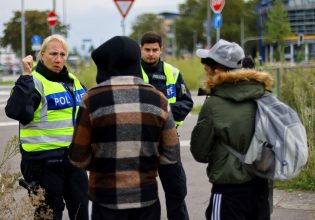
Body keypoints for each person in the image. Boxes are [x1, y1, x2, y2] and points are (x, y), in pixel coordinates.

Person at [69, 36, 181, 220]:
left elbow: (78, 156)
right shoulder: (159, 99)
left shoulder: (92, 100)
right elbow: (171, 154)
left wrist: (103, 164)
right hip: (146, 198)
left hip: (105, 198)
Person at [5, 34, 89, 220]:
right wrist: (26, 77)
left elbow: (87, 114)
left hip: (73, 161)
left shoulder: (73, 81)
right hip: (43, 164)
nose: (58, 59)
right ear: (41, 55)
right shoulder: (32, 82)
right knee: (48, 215)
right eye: (53, 54)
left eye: (62, 54)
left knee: (82, 211)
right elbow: (16, 111)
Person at [190, 39, 274, 220]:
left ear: (218, 70)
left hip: (229, 192)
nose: (206, 74)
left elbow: (200, 152)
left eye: (207, 70)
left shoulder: (214, 104)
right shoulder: (264, 95)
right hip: (261, 189)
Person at [140, 31, 193, 220]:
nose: (151, 54)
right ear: (141, 49)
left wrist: (164, 113)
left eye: (155, 50)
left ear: (161, 49)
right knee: (143, 195)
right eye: (147, 50)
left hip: (169, 140)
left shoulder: (172, 72)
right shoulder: (133, 73)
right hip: (142, 143)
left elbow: (187, 103)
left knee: (177, 191)